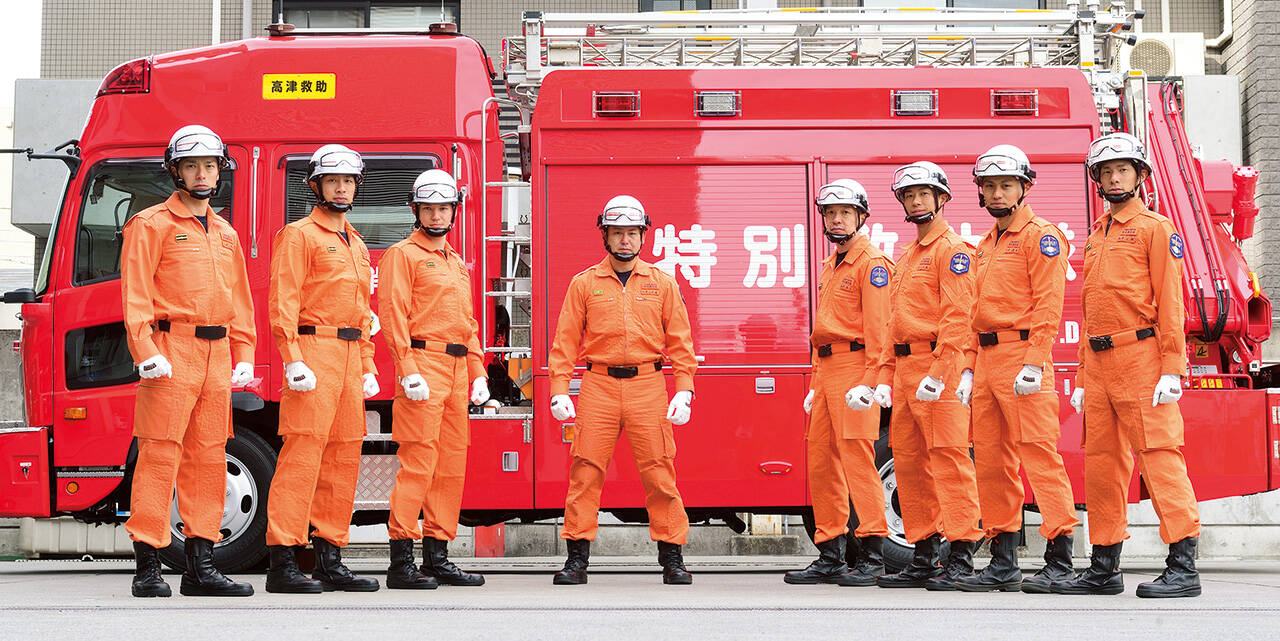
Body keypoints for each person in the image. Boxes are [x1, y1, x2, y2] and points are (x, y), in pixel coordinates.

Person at [1052, 132, 1201, 598]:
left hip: (1141, 357)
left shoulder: (1156, 228)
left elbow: (1170, 303)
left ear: (1140, 176)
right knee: (1101, 465)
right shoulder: (1097, 234)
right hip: (1097, 363)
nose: (1114, 178)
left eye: (1123, 169)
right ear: (1096, 179)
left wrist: (1173, 368)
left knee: (1159, 458)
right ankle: (1104, 566)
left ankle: (1183, 566)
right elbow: (1092, 306)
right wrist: (1080, 373)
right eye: (1106, 171)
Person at [121, 124, 255, 598]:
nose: (202, 174)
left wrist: (245, 352)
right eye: (192, 165)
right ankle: (148, 566)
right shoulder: (151, 224)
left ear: (221, 171)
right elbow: (135, 297)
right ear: (174, 170)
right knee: (159, 455)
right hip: (172, 350)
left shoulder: (224, 233)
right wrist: (146, 352)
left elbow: (240, 299)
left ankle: (201, 567)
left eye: (210, 165)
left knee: (209, 458)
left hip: (217, 355)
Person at [547, 195, 698, 585]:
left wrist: (685, 388)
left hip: (648, 385)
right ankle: (576, 560)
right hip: (597, 385)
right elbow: (564, 342)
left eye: (632, 233)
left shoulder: (662, 283)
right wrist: (559, 388)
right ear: (606, 237)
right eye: (618, 233)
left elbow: (681, 342)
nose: (625, 241)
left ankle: (673, 559)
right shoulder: (584, 283)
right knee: (585, 471)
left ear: (643, 236)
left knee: (659, 472)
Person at [953, 145, 1079, 593]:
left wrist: (1034, 361)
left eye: (1007, 184)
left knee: (1040, 458)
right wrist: (968, 368)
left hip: (1023, 358)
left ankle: (1059, 559)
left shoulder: (1040, 236)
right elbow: (973, 311)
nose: (998, 193)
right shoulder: (985, 246)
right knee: (990, 462)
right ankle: (1003, 562)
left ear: (1025, 187)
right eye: (989, 186)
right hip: (986, 362)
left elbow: (1049, 304)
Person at [264, 144, 381, 593]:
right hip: (313, 353)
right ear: (315, 186)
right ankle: (283, 562)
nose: (342, 187)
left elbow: (362, 312)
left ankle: (330, 557)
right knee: (303, 459)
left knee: (343, 459)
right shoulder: (299, 235)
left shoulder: (355, 243)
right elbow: (283, 302)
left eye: (349, 181)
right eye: (333, 180)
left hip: (350, 358)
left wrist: (368, 363)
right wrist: (291, 359)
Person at [875, 162, 984, 591]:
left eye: (924, 194)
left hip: (938, 366)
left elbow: (959, 318)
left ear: (942, 199)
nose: (916, 201)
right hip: (904, 369)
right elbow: (891, 325)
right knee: (908, 462)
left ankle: (960, 554)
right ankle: (923, 552)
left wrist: (940, 373)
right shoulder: (907, 256)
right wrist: (883, 376)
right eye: (909, 195)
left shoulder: (953, 251)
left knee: (950, 459)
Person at [380, 169, 490, 589]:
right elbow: (393, 317)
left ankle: (438, 555)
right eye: (429, 208)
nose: (437, 215)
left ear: (454, 212)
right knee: (418, 464)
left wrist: (478, 373)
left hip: (458, 370)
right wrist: (407, 371)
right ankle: (401, 561)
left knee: (450, 467)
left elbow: (468, 324)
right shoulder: (402, 255)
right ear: (416, 210)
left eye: (444, 208)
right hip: (423, 367)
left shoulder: (457, 263)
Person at [784, 179, 892, 587]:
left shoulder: (872, 264)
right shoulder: (832, 264)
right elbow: (823, 333)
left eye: (845, 212)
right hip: (828, 370)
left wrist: (870, 381)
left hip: (855, 368)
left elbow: (880, 331)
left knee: (857, 461)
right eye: (830, 213)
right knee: (822, 464)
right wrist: (815, 382)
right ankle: (830, 550)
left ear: (862, 216)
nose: (836, 219)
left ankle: (872, 550)